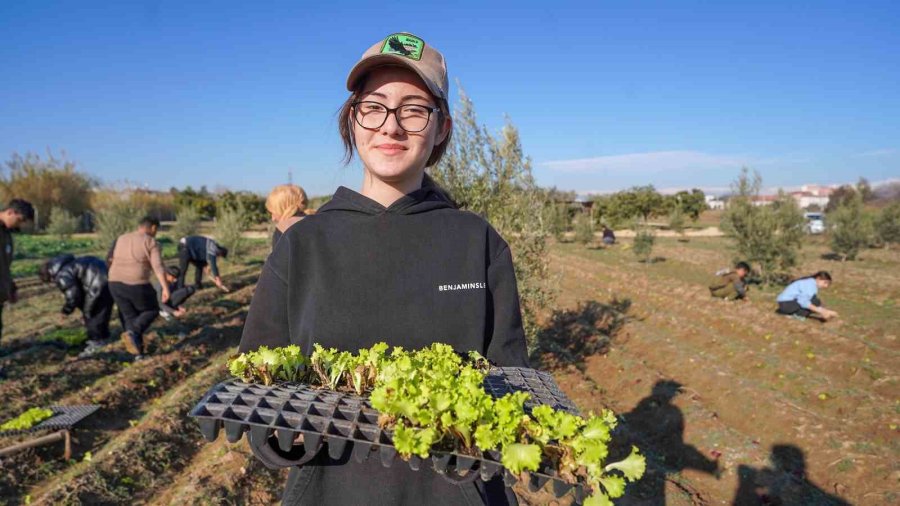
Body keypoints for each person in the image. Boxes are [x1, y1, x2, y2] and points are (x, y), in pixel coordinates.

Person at [238, 32, 527, 505]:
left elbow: (510, 375)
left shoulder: (478, 242)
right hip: (331, 490)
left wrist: (478, 444)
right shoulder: (302, 245)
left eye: (414, 109)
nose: (391, 126)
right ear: (352, 121)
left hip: (458, 492)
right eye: (374, 106)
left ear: (442, 128)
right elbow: (254, 382)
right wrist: (276, 436)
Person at [107, 216, 169, 359]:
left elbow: (109, 259)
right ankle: (133, 333)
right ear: (153, 228)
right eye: (156, 230)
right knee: (152, 309)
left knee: (130, 316)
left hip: (114, 282)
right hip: (136, 283)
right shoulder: (150, 241)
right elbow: (158, 267)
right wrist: (165, 288)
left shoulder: (121, 238)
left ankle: (138, 354)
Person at [40, 254, 114, 353]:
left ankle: (96, 344)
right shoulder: (73, 263)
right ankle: (103, 338)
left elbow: (73, 296)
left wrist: (66, 311)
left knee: (93, 315)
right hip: (111, 280)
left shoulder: (62, 275)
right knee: (101, 312)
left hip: (98, 286)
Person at [0, 199, 34, 349]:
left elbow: (4, 266)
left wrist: (11, 287)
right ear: (10, 212)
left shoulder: (6, 234)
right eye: (19, 220)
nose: (19, 225)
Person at [266, 184, 309, 249]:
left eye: (274, 213)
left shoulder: (282, 230)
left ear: (283, 209)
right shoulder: (320, 224)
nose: (273, 218)